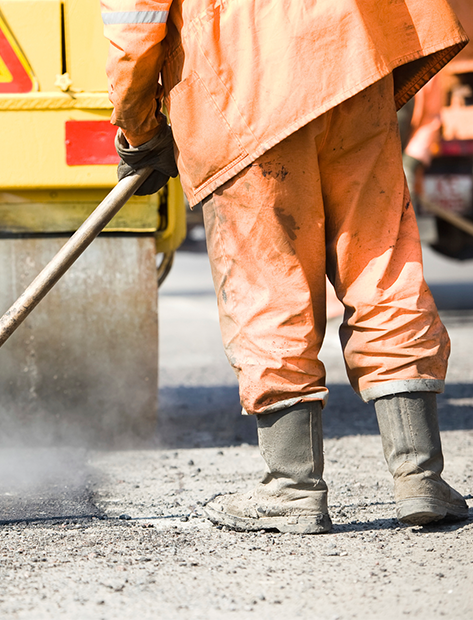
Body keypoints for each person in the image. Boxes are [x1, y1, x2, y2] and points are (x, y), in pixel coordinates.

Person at [103, 0, 470, 534]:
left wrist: (139, 130)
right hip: (349, 62)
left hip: (244, 89)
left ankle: (293, 487)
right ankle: (421, 477)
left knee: (268, 283)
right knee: (382, 262)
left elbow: (133, 27)